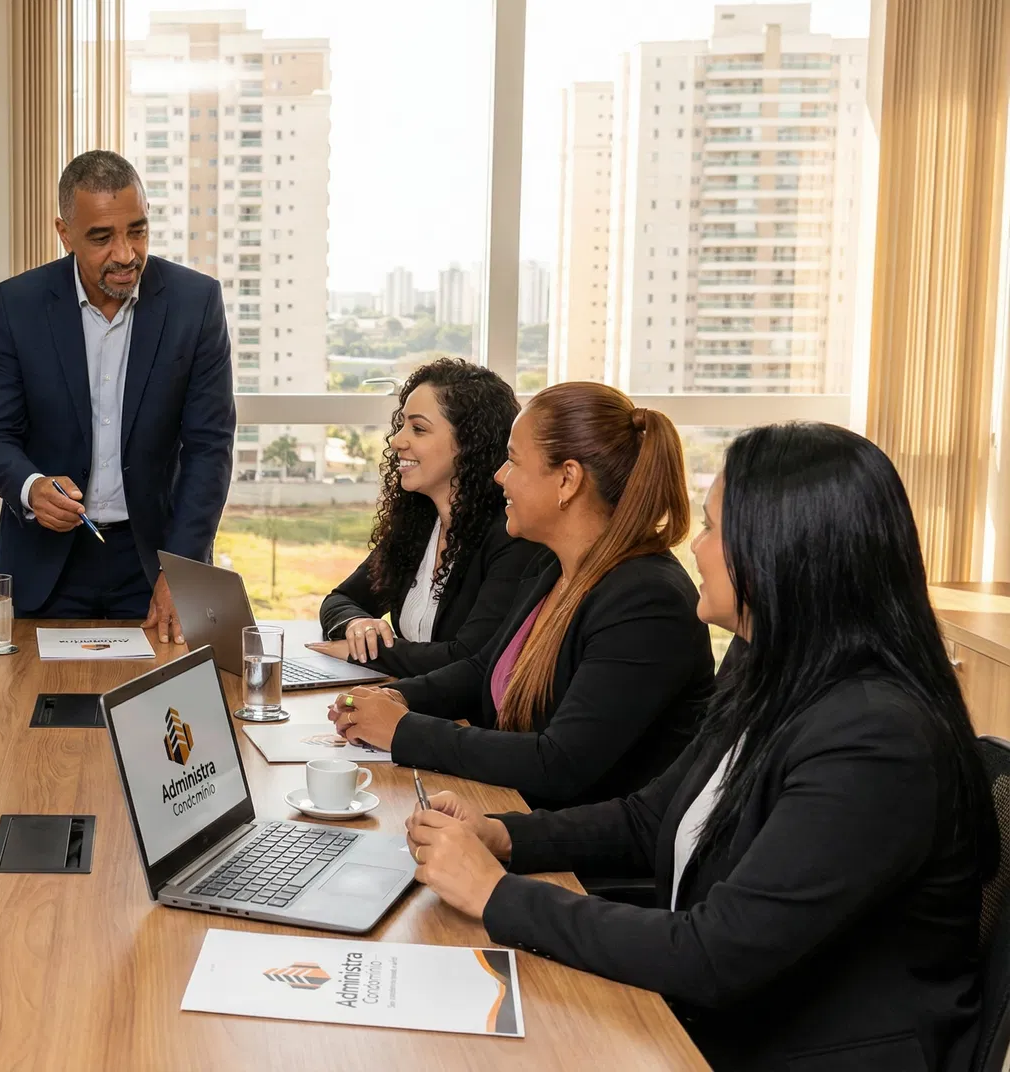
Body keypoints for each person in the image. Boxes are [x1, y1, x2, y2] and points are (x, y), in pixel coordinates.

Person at [405, 422, 994, 1071]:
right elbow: (652, 817)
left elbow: (715, 955)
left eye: (713, 527)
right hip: (712, 1023)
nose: (696, 545)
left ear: (780, 552)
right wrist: (503, 836)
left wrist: (496, 895)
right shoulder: (767, 663)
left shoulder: (877, 740)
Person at [327, 381, 711, 811]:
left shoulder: (647, 603)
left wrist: (402, 730)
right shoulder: (554, 568)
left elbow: (558, 762)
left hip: (570, 843)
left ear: (567, 480)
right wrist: (397, 698)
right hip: (515, 813)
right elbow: (483, 669)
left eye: (513, 461)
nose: (499, 475)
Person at [0, 150, 235, 641]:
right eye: (101, 237)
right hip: (44, 565)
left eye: (137, 231)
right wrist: (32, 487)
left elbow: (209, 449)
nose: (126, 254)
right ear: (64, 232)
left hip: (154, 563)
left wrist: (181, 569)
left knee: (165, 690)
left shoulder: (195, 303)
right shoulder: (16, 305)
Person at [315, 358, 539, 677]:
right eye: (401, 424)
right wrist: (357, 624)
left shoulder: (510, 537)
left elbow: (468, 659)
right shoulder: (418, 524)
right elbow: (342, 599)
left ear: (470, 443)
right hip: (402, 699)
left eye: (418, 429)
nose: (397, 441)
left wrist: (366, 653)